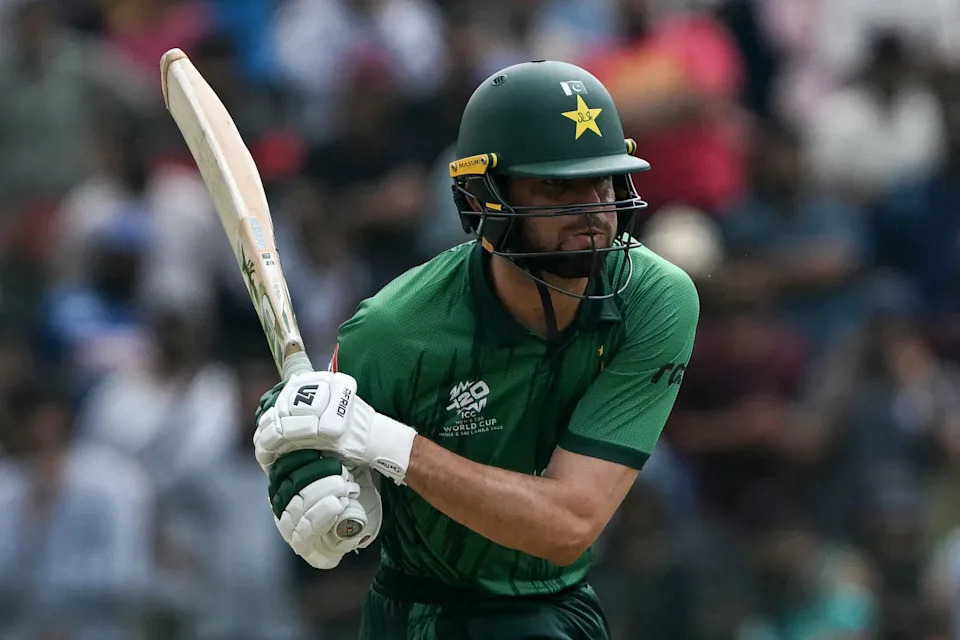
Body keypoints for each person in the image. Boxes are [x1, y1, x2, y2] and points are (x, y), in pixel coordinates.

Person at [253, 60, 700, 639]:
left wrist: (386, 442)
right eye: (557, 185)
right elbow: (309, 437)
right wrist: (308, 492)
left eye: (604, 180)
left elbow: (569, 523)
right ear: (484, 196)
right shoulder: (391, 332)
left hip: (556, 606)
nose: (594, 209)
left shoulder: (655, 299)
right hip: (417, 616)